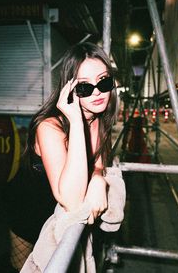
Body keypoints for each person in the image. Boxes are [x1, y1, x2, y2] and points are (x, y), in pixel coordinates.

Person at [19, 41, 124, 272]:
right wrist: (75, 120)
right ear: (70, 89)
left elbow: (98, 161)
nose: (97, 92)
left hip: (60, 216)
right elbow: (72, 200)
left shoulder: (97, 117)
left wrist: (98, 178)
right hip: (30, 207)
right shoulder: (49, 126)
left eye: (104, 81)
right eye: (85, 87)